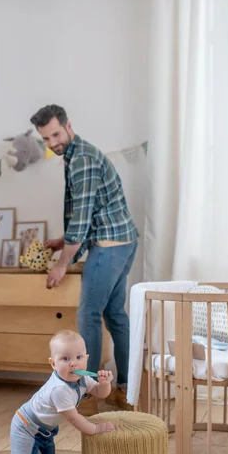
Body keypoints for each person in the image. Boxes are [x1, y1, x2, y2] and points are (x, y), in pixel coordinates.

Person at [30, 104, 139, 415]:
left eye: (56, 134)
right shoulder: (77, 155)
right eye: (46, 138)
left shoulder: (82, 160)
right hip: (123, 239)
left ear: (68, 126)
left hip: (110, 244)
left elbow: (80, 221)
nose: (52, 143)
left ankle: (87, 391)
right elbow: (90, 214)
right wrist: (63, 242)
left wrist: (63, 263)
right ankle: (126, 388)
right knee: (115, 315)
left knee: (89, 314)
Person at [9, 329, 114, 454]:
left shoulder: (82, 378)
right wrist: (96, 429)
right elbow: (74, 418)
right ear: (53, 363)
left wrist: (105, 384)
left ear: (86, 359)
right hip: (26, 427)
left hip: (45, 430)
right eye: (65, 359)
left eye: (79, 357)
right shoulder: (60, 389)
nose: (74, 363)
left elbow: (99, 392)